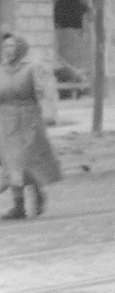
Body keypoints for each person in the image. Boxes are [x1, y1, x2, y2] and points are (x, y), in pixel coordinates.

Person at [0, 33, 61, 219]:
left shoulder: (33, 67)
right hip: (6, 122)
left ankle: (38, 192)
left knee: (27, 161)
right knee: (12, 163)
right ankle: (18, 206)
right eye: (6, 47)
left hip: (29, 120)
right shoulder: (1, 70)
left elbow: (46, 91)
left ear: (21, 48)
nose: (8, 50)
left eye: (12, 46)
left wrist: (51, 113)